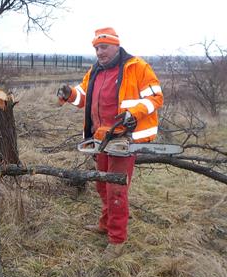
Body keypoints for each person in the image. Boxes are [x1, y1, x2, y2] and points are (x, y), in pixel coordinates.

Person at [57, 27, 163, 260]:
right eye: (96, 48)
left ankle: (117, 239)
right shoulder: (95, 70)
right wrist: (69, 93)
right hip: (99, 138)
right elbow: (82, 97)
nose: (99, 52)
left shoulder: (136, 67)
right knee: (102, 185)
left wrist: (133, 114)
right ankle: (106, 223)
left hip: (123, 138)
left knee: (116, 188)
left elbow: (156, 97)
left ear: (116, 45)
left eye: (103, 47)